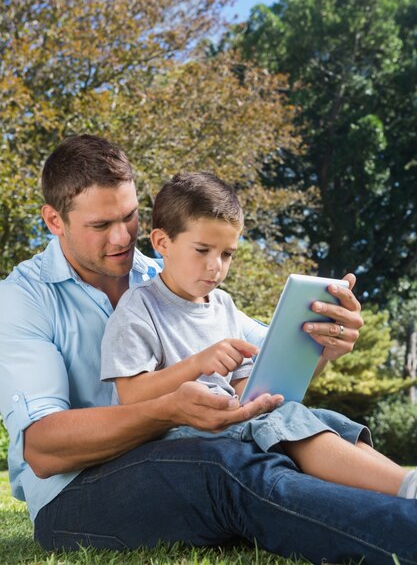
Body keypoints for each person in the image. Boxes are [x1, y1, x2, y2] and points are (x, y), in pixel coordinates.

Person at [0, 134, 416, 565]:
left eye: (130, 216)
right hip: (74, 496)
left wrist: (322, 343)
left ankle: (405, 492)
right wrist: (169, 409)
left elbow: (266, 365)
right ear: (54, 220)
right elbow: (43, 451)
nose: (123, 237)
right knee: (224, 464)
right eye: (101, 226)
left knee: (310, 424)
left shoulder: (172, 274)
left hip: (173, 455)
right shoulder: (22, 300)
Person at [101, 171, 414, 497]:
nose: (216, 266)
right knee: (281, 423)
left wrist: (310, 356)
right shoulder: (139, 306)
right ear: (162, 242)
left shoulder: (223, 305)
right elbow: (131, 397)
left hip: (224, 427)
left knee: (313, 418)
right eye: (203, 250)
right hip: (170, 443)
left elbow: (242, 389)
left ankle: (403, 487)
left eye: (226, 254)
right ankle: (404, 489)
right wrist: (197, 364)